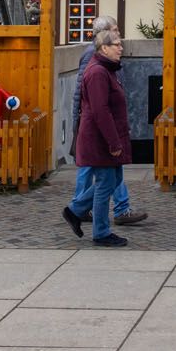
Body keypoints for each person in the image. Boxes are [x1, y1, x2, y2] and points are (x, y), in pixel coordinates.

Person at [69, 16, 144, 227]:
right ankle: (89, 211)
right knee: (99, 174)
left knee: (108, 175)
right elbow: (90, 99)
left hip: (103, 128)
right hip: (96, 129)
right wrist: (78, 119)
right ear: (103, 42)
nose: (120, 40)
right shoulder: (93, 63)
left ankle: (82, 209)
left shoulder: (106, 63)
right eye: (115, 33)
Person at [64, 29, 130, 246]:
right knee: (105, 183)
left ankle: (75, 210)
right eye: (117, 44)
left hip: (106, 137)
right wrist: (113, 142)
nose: (121, 48)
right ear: (104, 48)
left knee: (114, 180)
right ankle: (101, 232)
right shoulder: (98, 73)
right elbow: (101, 111)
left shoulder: (106, 69)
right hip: (99, 139)